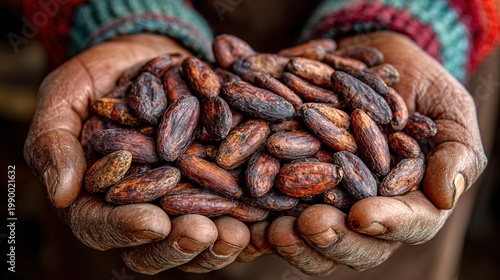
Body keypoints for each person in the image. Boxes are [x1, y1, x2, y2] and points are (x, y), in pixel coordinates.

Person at [22, 0, 499, 279]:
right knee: (123, 241)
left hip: (413, 28)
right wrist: (112, 14)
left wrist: (417, 14)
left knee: (373, 230)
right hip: (111, 37)